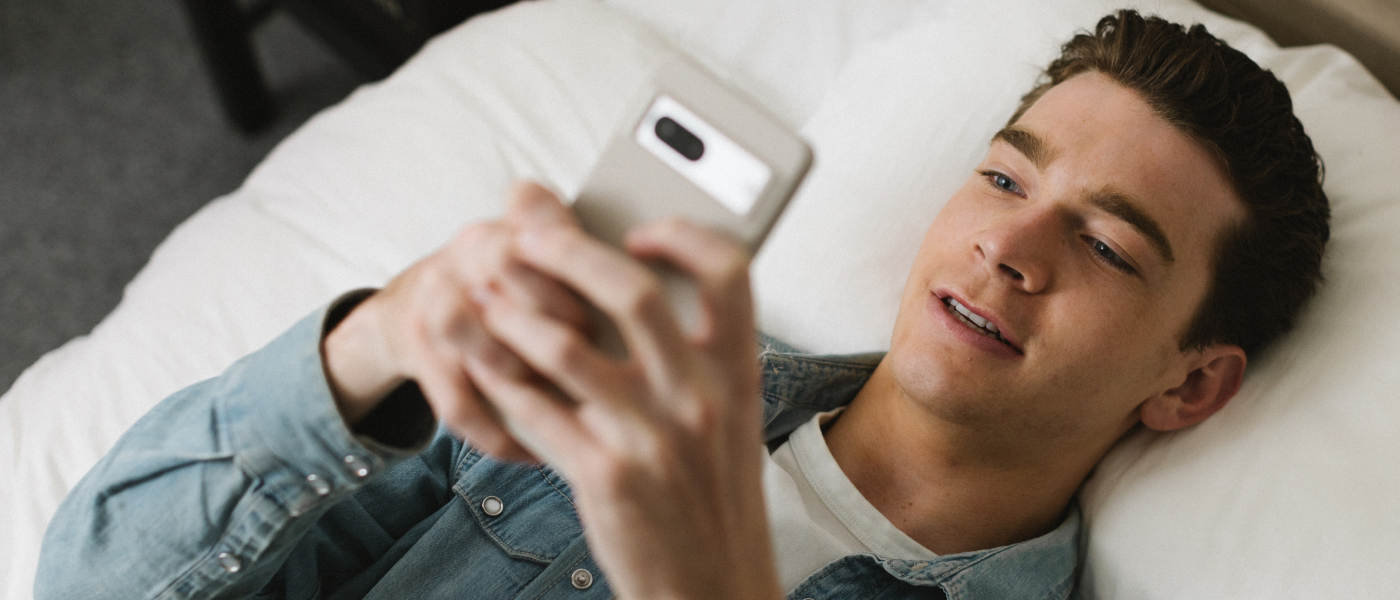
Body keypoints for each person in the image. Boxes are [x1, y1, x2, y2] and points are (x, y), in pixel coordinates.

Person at [36, 10, 1328, 600]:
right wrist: (371, 347)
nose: (1011, 245)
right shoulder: (609, 376)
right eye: (1003, 177)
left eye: (1106, 244)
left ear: (1190, 381)